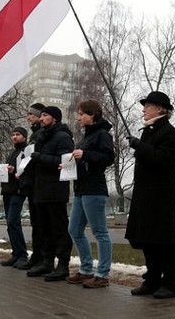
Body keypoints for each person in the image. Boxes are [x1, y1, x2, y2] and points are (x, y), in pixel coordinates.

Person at [125, 91, 175, 299]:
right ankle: (152, 280)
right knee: (147, 238)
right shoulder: (148, 130)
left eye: (147, 106)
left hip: (160, 195)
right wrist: (140, 145)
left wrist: (140, 146)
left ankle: (171, 283)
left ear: (160, 109)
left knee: (164, 240)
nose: (143, 109)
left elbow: (166, 160)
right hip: (144, 194)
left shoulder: (168, 131)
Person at [66, 100, 115, 288]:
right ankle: (86, 269)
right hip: (80, 190)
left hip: (95, 189)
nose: (78, 118)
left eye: (81, 114)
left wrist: (84, 155)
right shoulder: (85, 137)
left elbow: (108, 158)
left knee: (100, 232)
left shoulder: (103, 134)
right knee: (74, 230)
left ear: (92, 114)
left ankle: (102, 275)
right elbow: (83, 158)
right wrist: (69, 165)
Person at [26, 106, 75, 281]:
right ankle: (47, 262)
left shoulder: (62, 136)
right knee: (44, 228)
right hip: (41, 189)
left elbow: (65, 162)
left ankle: (63, 265)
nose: (41, 119)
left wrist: (40, 158)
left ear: (54, 118)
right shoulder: (43, 136)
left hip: (55, 190)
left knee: (59, 229)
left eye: (45, 115)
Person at [18, 103, 46, 270]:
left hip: (38, 182)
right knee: (36, 223)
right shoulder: (34, 134)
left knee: (41, 223)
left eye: (31, 114)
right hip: (32, 183)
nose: (28, 117)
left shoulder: (40, 134)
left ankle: (41, 257)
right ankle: (36, 256)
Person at [0, 127, 30, 269]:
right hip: (7, 190)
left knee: (13, 221)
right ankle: (16, 254)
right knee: (10, 223)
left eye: (17, 134)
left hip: (18, 190)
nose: (14, 137)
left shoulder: (26, 151)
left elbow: (25, 170)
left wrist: (13, 171)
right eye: (13, 134)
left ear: (24, 136)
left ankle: (22, 255)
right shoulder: (13, 152)